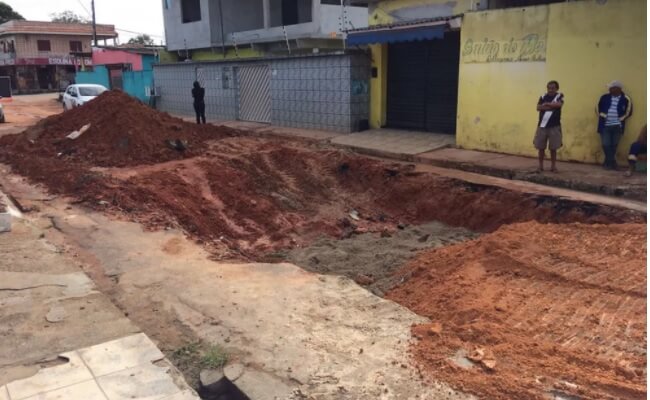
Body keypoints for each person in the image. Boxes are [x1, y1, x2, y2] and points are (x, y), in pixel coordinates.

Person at [597, 80, 632, 169]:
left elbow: (629, 111)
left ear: (617, 89)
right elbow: (597, 108)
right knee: (606, 144)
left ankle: (608, 163)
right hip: (605, 125)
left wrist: (620, 119)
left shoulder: (626, 98)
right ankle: (613, 162)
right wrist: (602, 116)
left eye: (611, 88)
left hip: (618, 125)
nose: (609, 89)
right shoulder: (604, 97)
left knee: (614, 145)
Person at [534, 80, 564, 172]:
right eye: (549, 88)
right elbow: (538, 107)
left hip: (554, 126)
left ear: (557, 88)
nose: (550, 90)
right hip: (542, 126)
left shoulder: (559, 96)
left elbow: (559, 105)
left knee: (553, 148)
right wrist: (552, 107)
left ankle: (553, 166)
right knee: (541, 148)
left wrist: (547, 104)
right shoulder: (543, 96)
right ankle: (540, 166)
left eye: (553, 88)